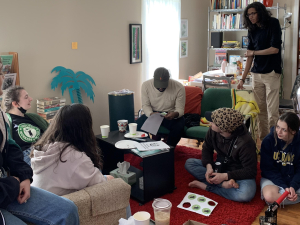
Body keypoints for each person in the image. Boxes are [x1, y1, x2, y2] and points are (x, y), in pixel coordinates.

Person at [0, 75, 80, 225]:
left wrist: (23, 176)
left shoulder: (5, 116)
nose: (3, 78)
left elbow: (10, 147)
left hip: (36, 157)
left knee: (68, 210)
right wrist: (14, 182)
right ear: (15, 103)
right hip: (10, 182)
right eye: (26, 97)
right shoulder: (10, 119)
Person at [30, 104, 131, 218]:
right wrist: (110, 178)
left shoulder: (45, 147)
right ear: (83, 129)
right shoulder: (75, 157)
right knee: (120, 188)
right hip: (56, 210)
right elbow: (99, 183)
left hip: (37, 206)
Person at [185, 108, 257, 202]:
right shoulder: (212, 131)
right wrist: (209, 167)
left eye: (213, 122)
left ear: (223, 128)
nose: (210, 123)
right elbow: (207, 148)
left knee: (245, 195)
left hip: (238, 173)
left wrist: (225, 176)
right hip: (219, 167)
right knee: (189, 163)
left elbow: (250, 171)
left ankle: (207, 187)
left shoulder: (246, 143)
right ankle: (223, 185)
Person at [237, 2, 282, 140]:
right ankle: (263, 140)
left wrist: (254, 52)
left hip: (271, 73)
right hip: (256, 74)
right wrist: (242, 79)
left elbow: (275, 49)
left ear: (260, 12)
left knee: (272, 111)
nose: (251, 17)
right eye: (248, 14)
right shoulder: (252, 30)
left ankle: (275, 140)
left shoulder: (273, 23)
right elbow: (250, 56)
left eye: (253, 13)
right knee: (260, 110)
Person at [137, 67, 185, 147]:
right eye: (158, 86)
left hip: (171, 114)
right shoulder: (146, 85)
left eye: (163, 85)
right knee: (138, 124)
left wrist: (175, 114)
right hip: (153, 113)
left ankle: (169, 149)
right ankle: (148, 146)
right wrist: (150, 114)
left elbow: (180, 109)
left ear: (168, 79)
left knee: (179, 127)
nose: (161, 88)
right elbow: (146, 105)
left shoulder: (178, 87)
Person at [260, 112, 300, 205]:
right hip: (274, 179)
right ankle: (292, 197)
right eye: (277, 127)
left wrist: (293, 186)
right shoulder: (268, 140)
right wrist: (284, 186)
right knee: (270, 196)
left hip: (295, 178)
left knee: (273, 198)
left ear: (293, 131)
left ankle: (286, 197)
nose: (278, 132)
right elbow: (268, 169)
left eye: (284, 130)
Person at [3, 86, 49, 165]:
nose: (31, 99)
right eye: (26, 97)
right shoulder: (6, 121)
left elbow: (52, 131)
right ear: (15, 104)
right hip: (26, 156)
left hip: (45, 149)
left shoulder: (35, 117)